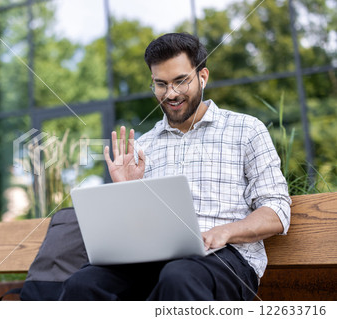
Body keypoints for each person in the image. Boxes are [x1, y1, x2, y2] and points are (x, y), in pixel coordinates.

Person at [59, 32, 291, 301]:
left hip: (227, 258)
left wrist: (224, 232)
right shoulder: (144, 146)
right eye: (161, 84)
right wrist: (126, 190)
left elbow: (276, 210)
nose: (171, 93)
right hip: (153, 260)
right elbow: (137, 229)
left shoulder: (246, 130)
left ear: (202, 77)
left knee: (178, 276)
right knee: (83, 284)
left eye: (181, 81)